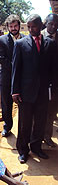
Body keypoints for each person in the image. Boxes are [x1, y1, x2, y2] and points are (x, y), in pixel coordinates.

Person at [12, 14, 55, 164]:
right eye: (28, 27)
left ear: (41, 25)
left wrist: (53, 89)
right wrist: (15, 91)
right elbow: (16, 69)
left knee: (40, 122)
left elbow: (53, 69)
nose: (31, 29)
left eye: (34, 26)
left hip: (43, 92)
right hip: (25, 92)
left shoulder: (50, 44)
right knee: (25, 123)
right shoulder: (20, 44)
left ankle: (36, 147)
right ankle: (23, 150)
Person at [0, 14, 25, 138]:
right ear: (7, 27)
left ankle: (24, 130)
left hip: (23, 79)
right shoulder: (1, 40)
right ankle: (7, 127)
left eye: (15, 26)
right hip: (7, 78)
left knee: (23, 104)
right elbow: (2, 59)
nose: (13, 28)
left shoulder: (26, 39)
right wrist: (17, 68)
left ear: (19, 26)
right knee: (6, 104)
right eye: (11, 26)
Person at [41, 13, 58, 147]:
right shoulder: (37, 36)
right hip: (40, 83)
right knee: (38, 111)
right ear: (46, 23)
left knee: (52, 111)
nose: (53, 27)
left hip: (55, 83)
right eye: (51, 24)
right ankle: (36, 137)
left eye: (56, 25)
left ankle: (47, 136)